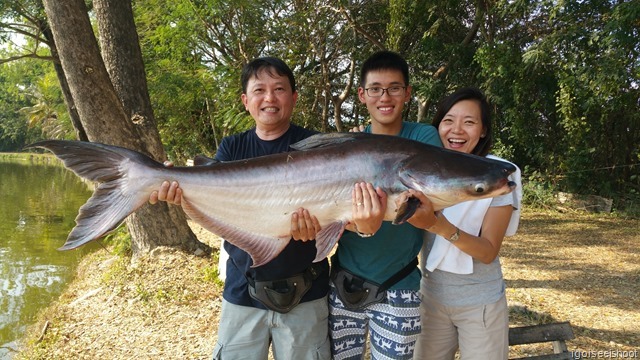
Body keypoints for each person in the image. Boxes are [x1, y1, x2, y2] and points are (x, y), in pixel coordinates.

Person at [149, 57, 331, 359]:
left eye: (279, 89)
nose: (269, 98)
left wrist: (320, 226)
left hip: (307, 293)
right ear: (246, 101)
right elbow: (215, 201)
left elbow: (336, 208)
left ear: (294, 97)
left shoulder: (317, 145)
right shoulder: (232, 147)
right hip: (243, 290)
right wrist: (179, 190)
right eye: (259, 90)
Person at [328, 50, 442, 360]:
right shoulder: (348, 146)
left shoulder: (423, 138)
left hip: (399, 285)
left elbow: (425, 207)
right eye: (376, 89)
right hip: (343, 282)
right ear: (362, 95)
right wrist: (359, 226)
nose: (385, 96)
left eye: (394, 88)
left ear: (407, 93)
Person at [401, 87, 522, 359]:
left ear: (483, 131)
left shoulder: (495, 178)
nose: (457, 130)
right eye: (448, 120)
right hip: (431, 297)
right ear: (437, 126)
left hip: (480, 304)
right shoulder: (419, 172)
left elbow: (488, 251)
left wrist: (435, 224)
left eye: (469, 122)